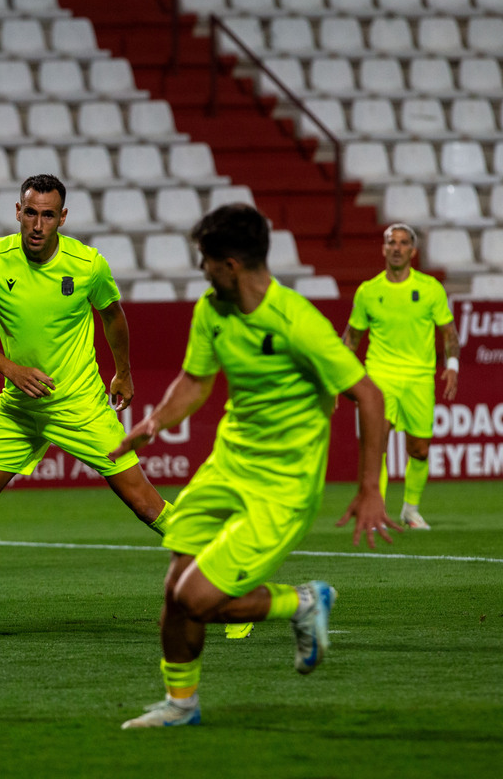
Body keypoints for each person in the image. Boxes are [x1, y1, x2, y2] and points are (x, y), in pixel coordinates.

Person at [110, 204, 397, 729]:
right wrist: (154, 422)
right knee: (175, 590)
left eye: (206, 260)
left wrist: (369, 488)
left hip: (282, 488)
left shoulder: (297, 322)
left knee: (195, 598)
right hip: (227, 467)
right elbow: (196, 382)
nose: (201, 270)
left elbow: (369, 395)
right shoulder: (212, 309)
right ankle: (181, 706)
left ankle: (303, 601)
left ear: (232, 264)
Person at [0, 175, 172, 645]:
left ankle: (224, 583)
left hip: (78, 404)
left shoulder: (87, 264)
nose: (38, 224)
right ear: (17, 211)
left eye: (48, 215)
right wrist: (10, 369)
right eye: (30, 212)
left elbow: (113, 315)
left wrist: (122, 372)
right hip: (19, 406)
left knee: (144, 504)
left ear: (63, 218)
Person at [342, 223, 459, 531]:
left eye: (403, 243)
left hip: (419, 378)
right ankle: (373, 513)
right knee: (376, 444)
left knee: (419, 449)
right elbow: (351, 337)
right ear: (383, 249)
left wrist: (453, 365)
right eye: (391, 242)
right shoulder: (368, 291)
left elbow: (449, 332)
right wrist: (341, 373)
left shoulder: (431, 288)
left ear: (413, 251)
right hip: (380, 376)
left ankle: (410, 510)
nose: (396, 247)